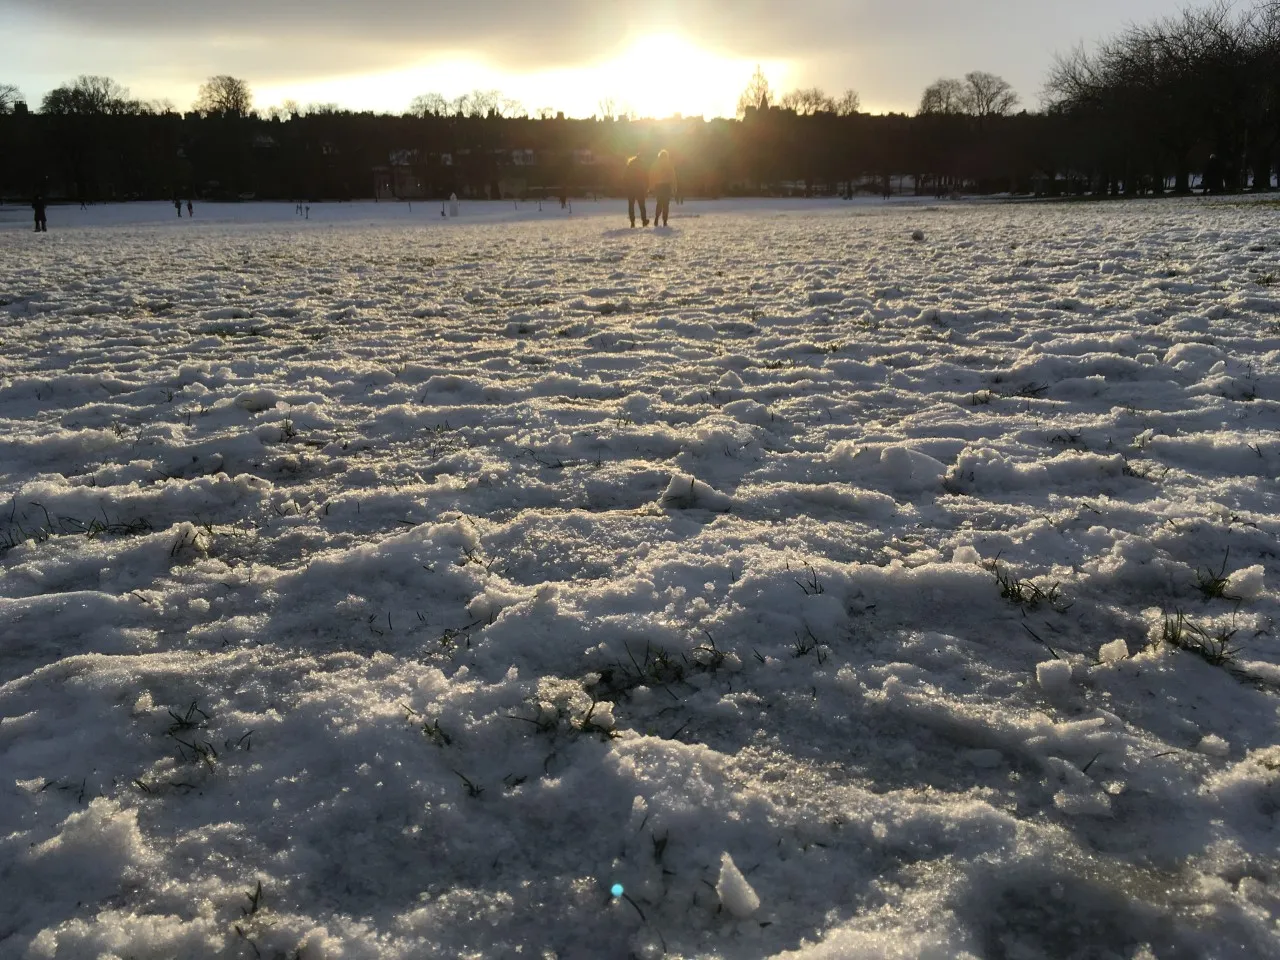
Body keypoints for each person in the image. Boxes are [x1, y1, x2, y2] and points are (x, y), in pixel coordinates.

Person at [650, 149, 677, 227]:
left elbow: (652, 176)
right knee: (666, 205)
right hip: (666, 186)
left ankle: (656, 218)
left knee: (659, 203)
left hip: (658, 186)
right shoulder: (669, 165)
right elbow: (673, 177)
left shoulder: (655, 164)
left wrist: (651, 187)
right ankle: (665, 221)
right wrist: (674, 187)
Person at [625, 154, 649, 227]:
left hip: (630, 188)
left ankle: (632, 222)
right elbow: (646, 177)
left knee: (631, 205)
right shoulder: (642, 165)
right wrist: (646, 187)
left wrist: (627, 186)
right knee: (642, 205)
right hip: (640, 187)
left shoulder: (629, 165)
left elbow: (625, 177)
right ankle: (644, 221)